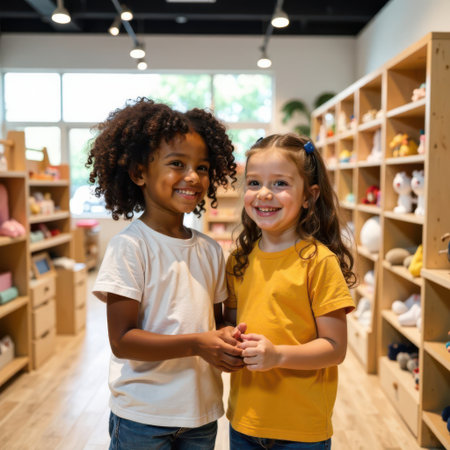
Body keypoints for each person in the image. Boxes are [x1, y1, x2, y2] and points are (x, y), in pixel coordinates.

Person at [88, 98, 245, 449]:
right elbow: (122, 339)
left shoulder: (208, 249)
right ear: (139, 172)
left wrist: (227, 340)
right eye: (177, 164)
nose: (192, 177)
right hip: (142, 417)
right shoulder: (130, 247)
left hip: (202, 413)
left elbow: (215, 324)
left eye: (202, 167)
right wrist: (197, 344)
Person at [224, 133, 357, 449]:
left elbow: (335, 348)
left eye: (280, 184)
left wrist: (277, 355)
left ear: (309, 196)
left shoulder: (319, 262)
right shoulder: (239, 260)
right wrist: (226, 341)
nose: (264, 194)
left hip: (301, 430)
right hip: (244, 421)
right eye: (254, 183)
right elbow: (231, 325)